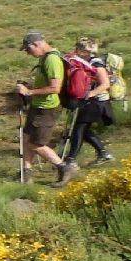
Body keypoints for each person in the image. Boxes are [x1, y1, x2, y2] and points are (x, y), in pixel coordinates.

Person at [16, 31, 82, 187]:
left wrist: (29, 92)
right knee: (26, 138)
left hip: (47, 108)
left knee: (36, 144)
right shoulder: (45, 58)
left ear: (36, 44)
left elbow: (54, 88)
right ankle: (26, 174)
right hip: (38, 105)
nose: (28, 53)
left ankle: (63, 167)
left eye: (28, 49)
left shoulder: (51, 60)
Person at [62, 37, 115, 167]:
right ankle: (103, 153)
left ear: (85, 51)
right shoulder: (86, 62)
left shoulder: (96, 63)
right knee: (83, 130)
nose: (76, 51)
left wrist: (89, 94)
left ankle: (71, 160)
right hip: (92, 101)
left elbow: (105, 84)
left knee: (78, 129)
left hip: (96, 102)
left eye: (78, 49)